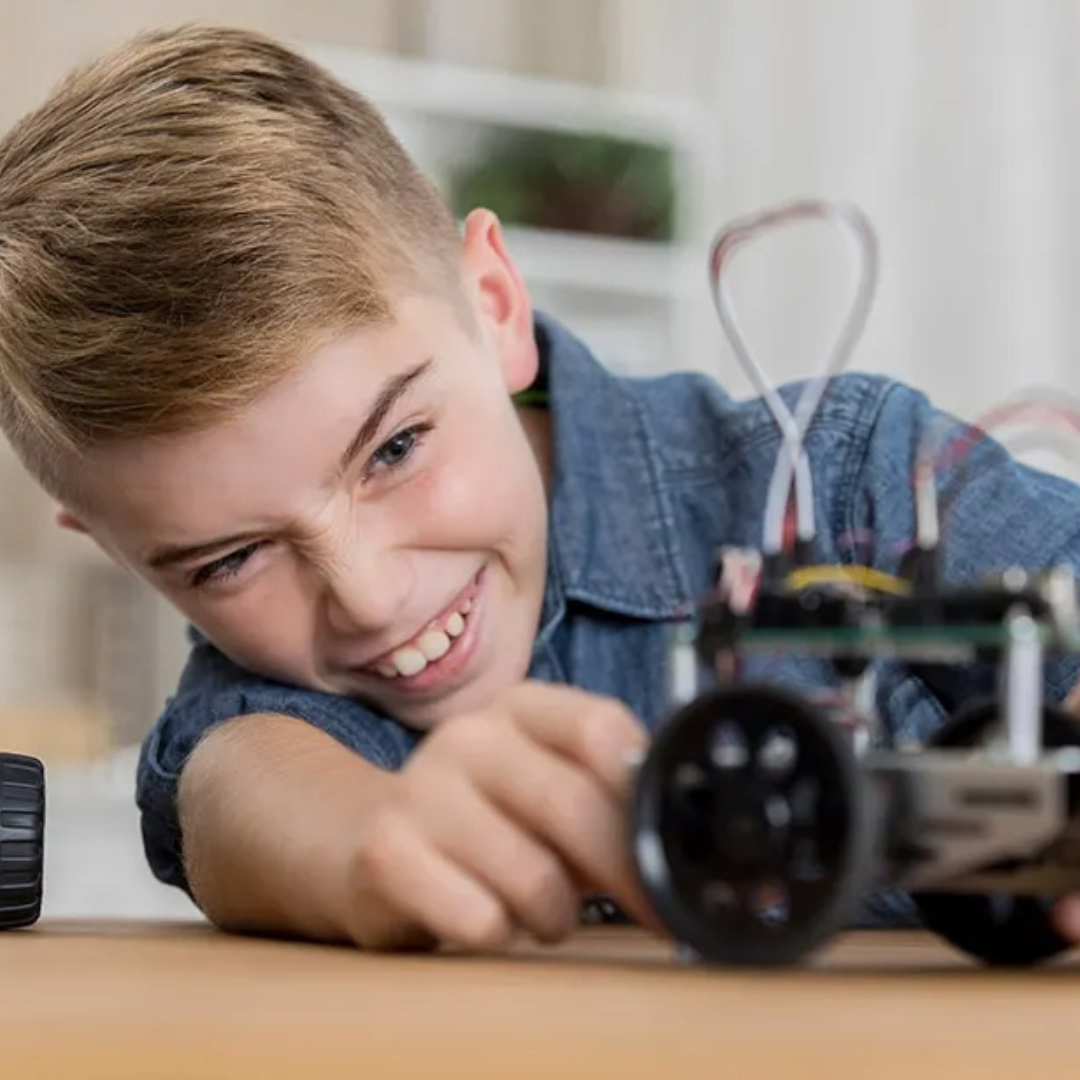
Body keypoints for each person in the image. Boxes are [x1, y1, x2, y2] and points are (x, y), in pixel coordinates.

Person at [3, 24, 1080, 953]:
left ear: (497, 303)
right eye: (232, 559)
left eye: (394, 450)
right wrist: (378, 845)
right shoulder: (279, 699)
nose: (369, 598)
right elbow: (239, 781)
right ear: (109, 541)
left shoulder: (856, 478)